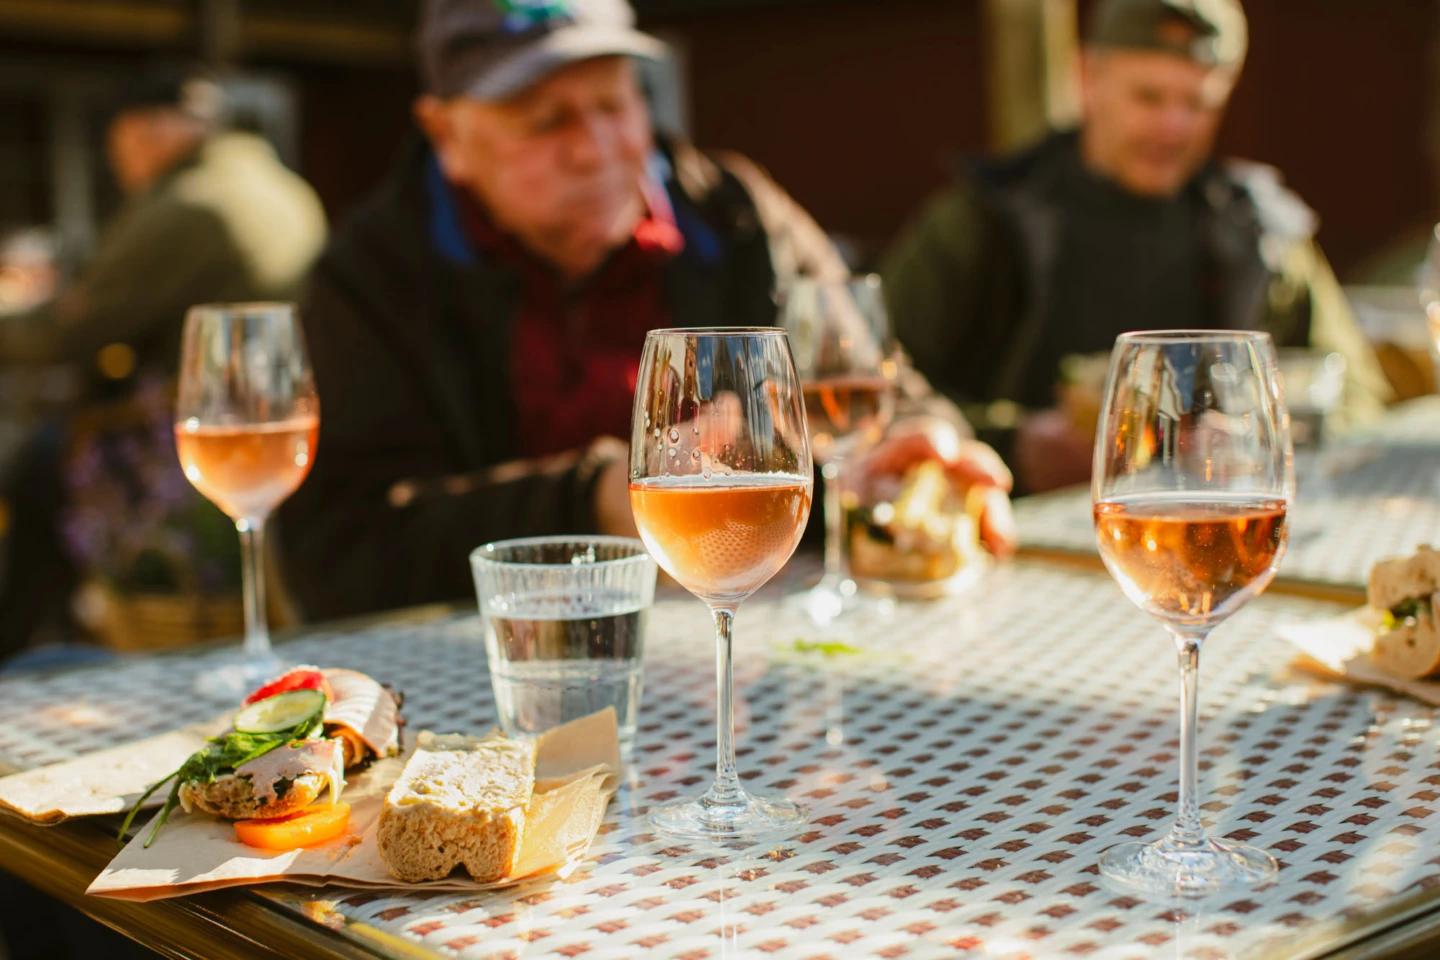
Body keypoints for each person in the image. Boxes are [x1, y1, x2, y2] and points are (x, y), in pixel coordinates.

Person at [279, 0, 1016, 622]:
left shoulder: (732, 214)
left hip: (759, 655)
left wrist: (927, 444)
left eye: (614, 102)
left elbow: (870, 390)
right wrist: (592, 502)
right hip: (491, 682)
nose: (597, 148)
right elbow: (336, 553)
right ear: (447, 135)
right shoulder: (373, 276)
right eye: (547, 121)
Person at [882, 0, 1391, 494]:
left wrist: (1263, 437)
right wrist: (1010, 444)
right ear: (1086, 79)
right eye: (1148, 96)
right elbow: (874, 387)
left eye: (1197, 103)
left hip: (1207, 533)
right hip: (1006, 532)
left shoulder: (1260, 233)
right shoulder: (982, 222)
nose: (1174, 127)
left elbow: (1357, 390)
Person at [0, 66, 327, 661]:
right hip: (275, 408)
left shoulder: (188, 203)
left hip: (197, 423)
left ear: (147, 131)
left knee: (39, 470)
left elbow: (70, 330)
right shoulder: (282, 184)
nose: (121, 166)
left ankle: (31, 668)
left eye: (118, 147)